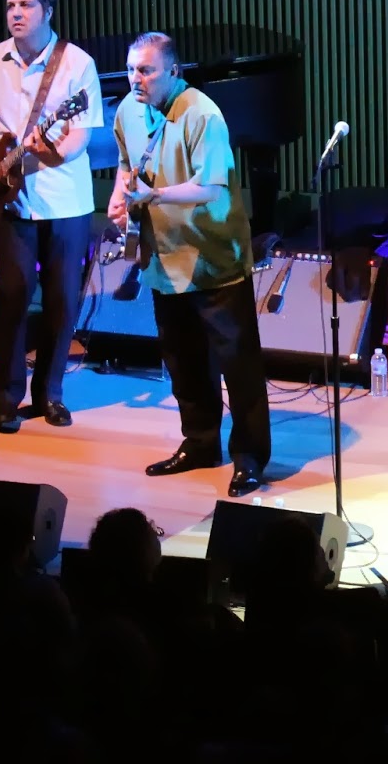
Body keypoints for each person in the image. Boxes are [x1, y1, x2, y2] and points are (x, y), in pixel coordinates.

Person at [109, 31, 270, 497]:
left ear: (173, 71)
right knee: (183, 361)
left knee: (237, 364)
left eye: (146, 70)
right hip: (164, 256)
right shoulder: (126, 112)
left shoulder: (202, 113)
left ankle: (249, 457)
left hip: (213, 257)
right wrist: (121, 202)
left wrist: (154, 194)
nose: (135, 78)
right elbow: (126, 168)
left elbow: (211, 188)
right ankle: (199, 444)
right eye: (131, 69)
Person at [0, 0, 103, 433]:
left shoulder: (78, 64)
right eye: (10, 6)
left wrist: (49, 149)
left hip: (66, 201)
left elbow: (80, 138)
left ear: (48, 11)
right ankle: (5, 397)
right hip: (11, 200)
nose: (16, 14)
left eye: (25, 6)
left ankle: (51, 395)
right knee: (12, 296)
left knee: (62, 301)